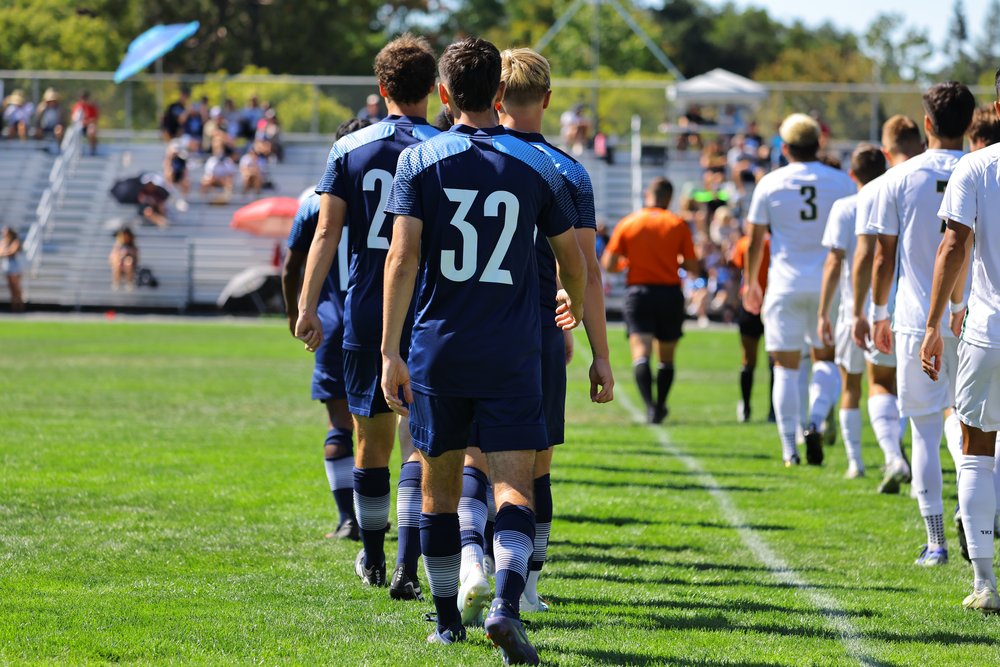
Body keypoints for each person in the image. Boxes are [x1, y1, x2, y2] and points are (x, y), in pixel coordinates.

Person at [377, 37, 586, 663]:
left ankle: (446, 621)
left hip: (439, 345)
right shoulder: (539, 165)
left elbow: (401, 257)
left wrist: (390, 351)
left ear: (443, 95)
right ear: (501, 93)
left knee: (440, 486)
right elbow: (572, 259)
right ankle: (504, 602)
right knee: (512, 485)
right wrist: (571, 301)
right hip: (514, 349)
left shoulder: (419, 161)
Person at [450, 46, 614, 622]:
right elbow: (586, 272)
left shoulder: (455, 153)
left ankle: (471, 561)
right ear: (547, 98)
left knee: (471, 458)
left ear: (495, 95)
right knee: (532, 466)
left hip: (460, 326)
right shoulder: (564, 170)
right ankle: (526, 585)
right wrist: (599, 353)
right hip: (535, 333)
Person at [295, 35, 439, 603]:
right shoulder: (448, 146)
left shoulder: (349, 148)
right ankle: (408, 563)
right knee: (420, 442)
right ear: (433, 89)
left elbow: (326, 232)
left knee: (370, 438)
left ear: (381, 90)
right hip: (429, 309)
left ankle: (374, 557)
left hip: (364, 308)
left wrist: (308, 307)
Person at [871, 82, 976, 567]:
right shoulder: (986, 171)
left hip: (919, 320)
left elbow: (882, 254)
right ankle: (975, 524)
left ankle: (936, 542)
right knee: (974, 427)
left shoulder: (899, 176)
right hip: (978, 317)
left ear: (927, 124)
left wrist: (875, 314)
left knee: (924, 428)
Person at [920, 70, 1000, 611]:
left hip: (990, 330)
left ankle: (986, 583)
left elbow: (953, 247)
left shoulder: (979, 165)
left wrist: (931, 324)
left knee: (975, 450)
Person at [741, 113, 855, 466]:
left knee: (785, 368)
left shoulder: (771, 183)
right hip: (829, 285)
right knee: (826, 359)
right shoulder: (843, 182)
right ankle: (816, 421)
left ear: (785, 148)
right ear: (819, 144)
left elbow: (754, 241)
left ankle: (789, 448)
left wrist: (750, 283)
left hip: (785, 285)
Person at [849, 116, 923, 494]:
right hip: (952, 305)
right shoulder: (962, 170)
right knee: (942, 403)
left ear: (885, 148)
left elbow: (870, 256)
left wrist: (862, 311)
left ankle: (894, 457)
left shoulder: (880, 186)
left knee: (881, 384)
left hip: (895, 305)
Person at [282, 184, 356, 541]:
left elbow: (289, 267)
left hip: (330, 322)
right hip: (381, 320)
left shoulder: (312, 202)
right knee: (403, 432)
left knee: (340, 423)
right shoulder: (390, 192)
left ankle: (348, 519)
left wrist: (294, 313)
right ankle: (412, 523)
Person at [602, 177, 699, 424]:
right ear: (669, 198)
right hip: (669, 294)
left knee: (641, 353)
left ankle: (649, 407)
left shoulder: (629, 222)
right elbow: (691, 265)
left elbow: (609, 264)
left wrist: (629, 262)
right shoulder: (677, 224)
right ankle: (661, 404)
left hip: (639, 293)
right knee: (666, 357)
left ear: (648, 195)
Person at [817, 144, 887, 479]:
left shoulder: (844, 207)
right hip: (891, 306)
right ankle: (893, 454)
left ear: (852, 174)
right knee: (889, 386)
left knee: (851, 386)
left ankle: (855, 462)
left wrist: (822, 312)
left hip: (852, 309)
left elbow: (834, 261)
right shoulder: (894, 199)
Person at [731, 225, 772, 423]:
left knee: (748, 359)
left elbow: (737, 265)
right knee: (776, 360)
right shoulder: (776, 242)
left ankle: (746, 405)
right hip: (773, 303)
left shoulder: (745, 243)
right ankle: (773, 409)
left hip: (750, 303)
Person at [0, 226, 24, 312]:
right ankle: (14, 307)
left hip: (15, 266)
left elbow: (12, 251)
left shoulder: (15, 241)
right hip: (7, 266)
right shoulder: (3, 241)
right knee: (11, 287)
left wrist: (6, 251)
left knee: (16, 287)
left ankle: (20, 305)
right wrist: (7, 251)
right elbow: (1, 252)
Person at [71, 90, 100, 155]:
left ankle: (93, 150)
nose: (83, 100)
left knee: (91, 130)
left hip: (88, 127)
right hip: (79, 127)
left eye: (85, 98)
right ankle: (77, 151)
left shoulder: (91, 107)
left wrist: (86, 122)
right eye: (82, 98)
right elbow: (73, 118)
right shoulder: (77, 106)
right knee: (75, 131)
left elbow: (94, 119)